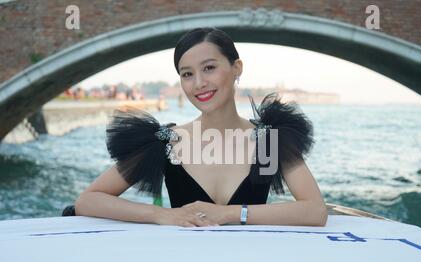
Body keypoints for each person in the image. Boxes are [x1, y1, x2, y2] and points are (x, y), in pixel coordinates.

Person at [67, 27, 328, 227]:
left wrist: (230, 214)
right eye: (187, 74)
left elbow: (315, 211)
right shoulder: (166, 142)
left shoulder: (268, 141)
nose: (199, 83)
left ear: (236, 68)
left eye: (209, 68)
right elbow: (88, 200)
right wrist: (164, 215)